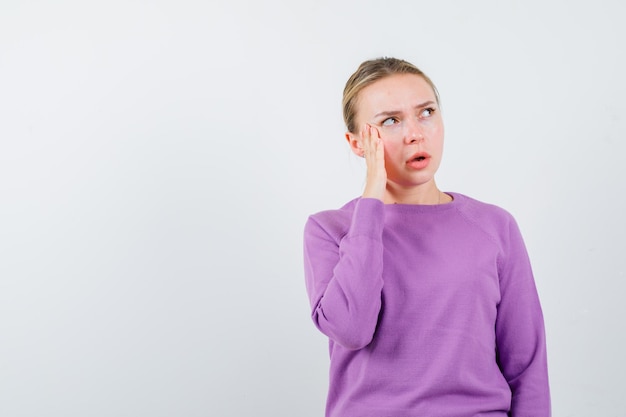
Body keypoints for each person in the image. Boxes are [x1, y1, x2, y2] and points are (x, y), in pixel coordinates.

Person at [302, 57, 550, 417]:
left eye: (427, 112)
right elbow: (351, 328)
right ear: (357, 143)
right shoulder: (331, 230)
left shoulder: (494, 227)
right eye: (390, 120)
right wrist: (371, 199)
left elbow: (526, 366)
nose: (415, 132)